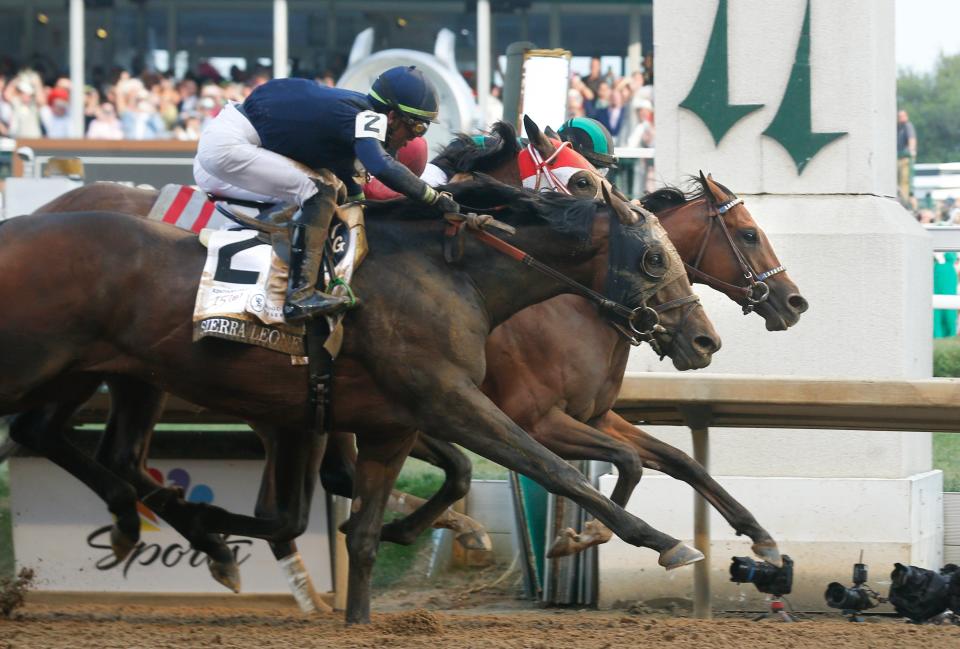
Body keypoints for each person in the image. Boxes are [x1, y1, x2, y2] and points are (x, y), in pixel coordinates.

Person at [192, 66, 459, 322]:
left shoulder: (353, 115)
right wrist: (432, 198)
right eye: (417, 127)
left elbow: (353, 195)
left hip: (229, 143)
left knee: (330, 190)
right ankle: (299, 296)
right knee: (318, 190)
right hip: (228, 147)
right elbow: (381, 166)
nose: (414, 138)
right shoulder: (368, 117)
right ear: (392, 116)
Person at [897, 110, 917, 208]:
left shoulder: (907, 126)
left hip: (905, 158)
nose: (900, 118)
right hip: (900, 157)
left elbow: (912, 139)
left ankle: (905, 203)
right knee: (901, 181)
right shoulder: (899, 128)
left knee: (905, 181)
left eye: (902, 116)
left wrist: (911, 151)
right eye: (899, 116)